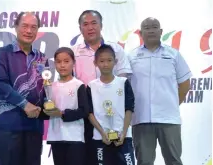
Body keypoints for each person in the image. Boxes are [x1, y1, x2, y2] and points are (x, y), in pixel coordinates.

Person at [71, 10, 132, 165]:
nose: (90, 27)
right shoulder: (73, 52)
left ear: (101, 25)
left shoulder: (116, 49)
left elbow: (123, 81)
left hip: (113, 117)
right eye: (85, 24)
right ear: (80, 28)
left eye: (94, 23)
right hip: (85, 115)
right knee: (90, 159)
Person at [128, 17, 191, 165]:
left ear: (161, 31)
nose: (151, 30)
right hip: (141, 119)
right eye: (147, 27)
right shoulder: (131, 57)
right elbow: (125, 88)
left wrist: (173, 104)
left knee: (174, 160)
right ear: (140, 33)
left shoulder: (173, 55)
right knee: (144, 161)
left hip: (169, 119)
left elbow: (185, 84)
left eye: (154, 27)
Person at [0, 12, 49, 165]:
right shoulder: (4, 53)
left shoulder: (42, 58)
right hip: (9, 123)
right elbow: (0, 83)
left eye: (33, 27)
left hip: (34, 125)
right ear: (16, 27)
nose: (29, 31)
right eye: (24, 26)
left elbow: (45, 89)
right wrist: (25, 105)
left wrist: (49, 105)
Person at [87, 44, 135, 165]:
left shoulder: (123, 82)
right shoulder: (91, 86)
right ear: (95, 63)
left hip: (123, 137)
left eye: (109, 60)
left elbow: (129, 108)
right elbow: (89, 112)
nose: (105, 64)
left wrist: (124, 132)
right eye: (102, 61)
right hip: (100, 138)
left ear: (116, 61)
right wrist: (102, 133)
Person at [44, 47, 89, 165]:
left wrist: (62, 113)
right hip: (56, 137)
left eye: (66, 61)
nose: (62, 65)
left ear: (73, 63)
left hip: (75, 137)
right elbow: (46, 110)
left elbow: (84, 111)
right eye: (58, 62)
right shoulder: (50, 86)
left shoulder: (79, 85)